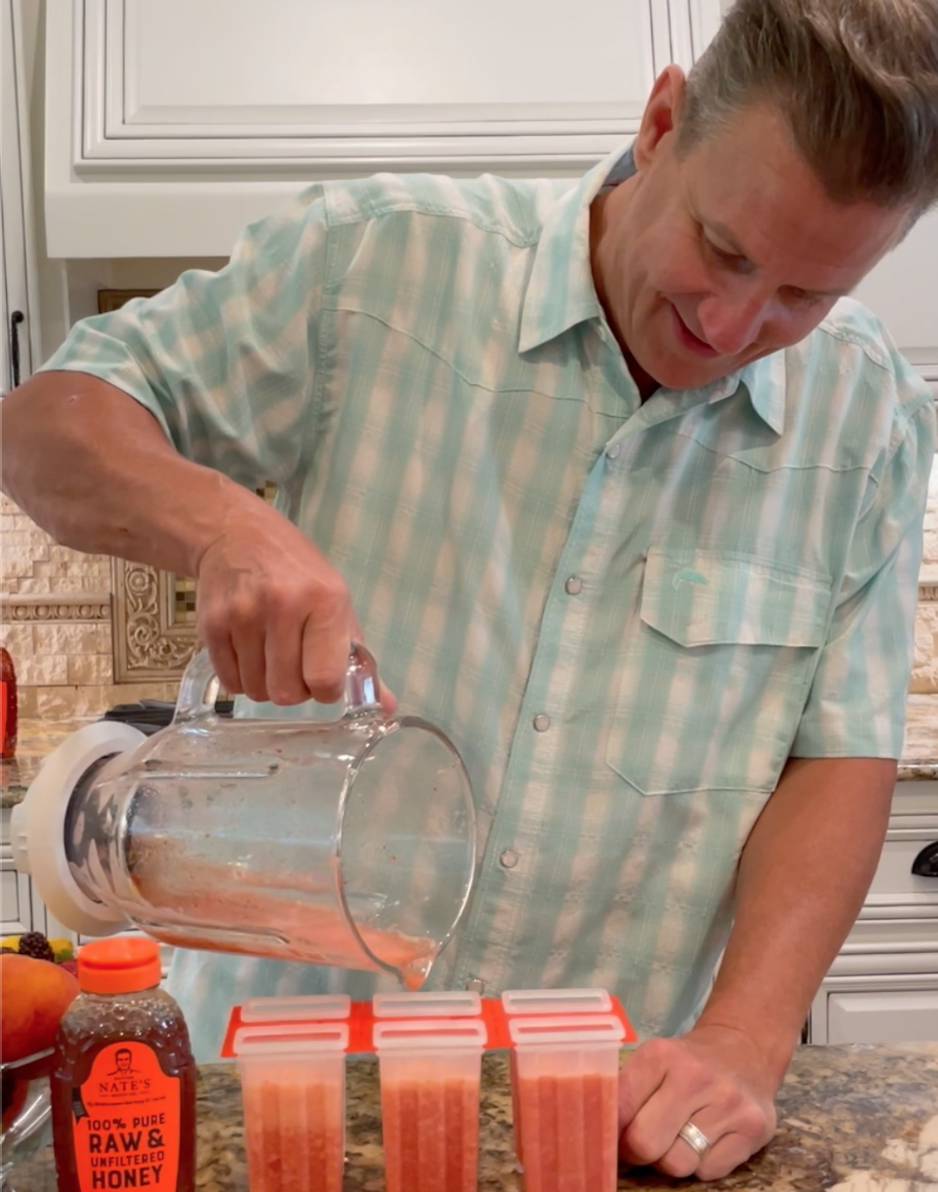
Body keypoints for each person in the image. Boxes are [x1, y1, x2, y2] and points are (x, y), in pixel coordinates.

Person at [3, 0, 937, 1178]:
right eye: (724, 248)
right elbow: (45, 423)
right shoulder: (375, 262)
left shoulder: (869, 424)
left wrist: (743, 1040)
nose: (734, 322)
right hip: (279, 1102)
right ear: (659, 125)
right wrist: (218, 523)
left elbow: (835, 756)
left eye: (806, 297)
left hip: (591, 1124)